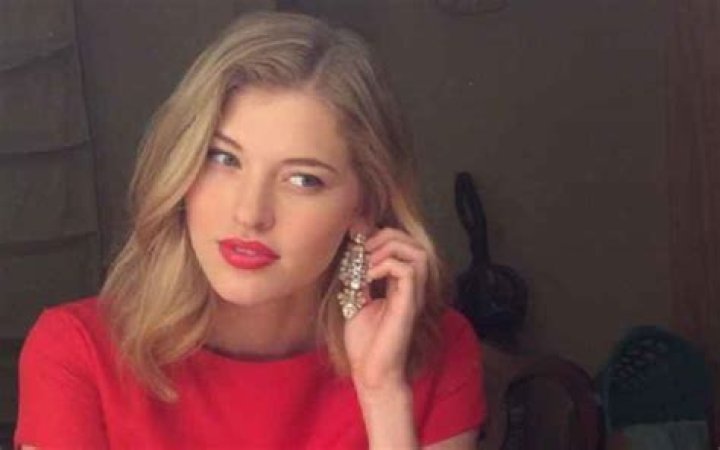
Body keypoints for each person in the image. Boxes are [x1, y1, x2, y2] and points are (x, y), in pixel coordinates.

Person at [14, 11, 486, 450]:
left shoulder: (435, 350)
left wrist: (382, 393)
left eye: (303, 180)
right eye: (224, 158)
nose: (250, 213)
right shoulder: (78, 352)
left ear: (364, 206)